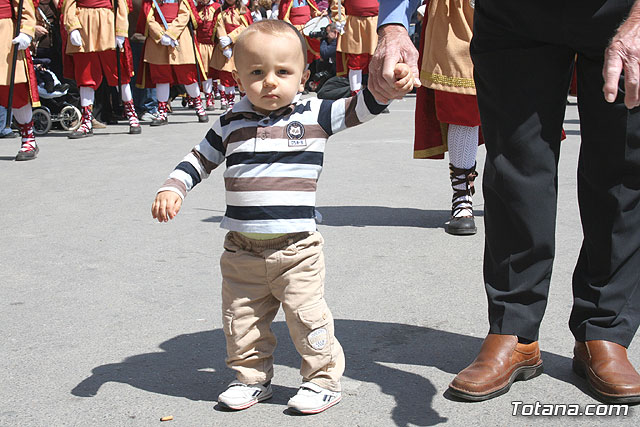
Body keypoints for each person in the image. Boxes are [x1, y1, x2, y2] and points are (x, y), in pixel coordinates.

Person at [372, 0, 640, 403]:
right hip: (514, 13)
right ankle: (514, 330)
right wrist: (394, 24)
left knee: (622, 165)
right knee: (515, 163)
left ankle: (604, 331)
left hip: (619, 8)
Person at [151, 19, 413, 413]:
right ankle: (251, 378)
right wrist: (173, 186)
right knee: (242, 322)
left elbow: (360, 108)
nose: (270, 82)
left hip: (297, 250)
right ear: (238, 77)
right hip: (241, 250)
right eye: (256, 73)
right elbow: (199, 159)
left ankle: (321, 380)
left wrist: (387, 88)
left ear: (304, 76)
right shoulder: (229, 122)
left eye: (283, 72)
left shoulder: (314, 114)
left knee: (307, 318)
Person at [413, 0, 481, 235]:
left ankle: (507, 184)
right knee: (463, 102)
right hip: (454, 11)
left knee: (514, 100)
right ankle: (462, 196)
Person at [61, 0, 142, 138]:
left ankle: (132, 115)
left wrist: (120, 30)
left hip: (107, 24)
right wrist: (72, 27)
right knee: (86, 77)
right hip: (84, 26)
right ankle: (86, 121)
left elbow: (121, 4)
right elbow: (68, 5)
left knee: (120, 75)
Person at [136, 0, 208, 126]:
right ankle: (162, 112)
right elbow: (149, 17)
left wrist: (171, 34)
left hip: (180, 37)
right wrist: (160, 35)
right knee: (161, 77)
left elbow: (184, 14)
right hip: (158, 41)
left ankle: (198, 106)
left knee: (188, 76)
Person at [0, 0, 40, 160]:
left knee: (15, 90)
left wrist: (26, 32)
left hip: (4, 34)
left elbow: (26, 8)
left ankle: (28, 138)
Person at [330, 0, 379, 95]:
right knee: (356, 60)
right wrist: (339, 18)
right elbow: (338, 2)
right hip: (354, 23)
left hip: (375, 21)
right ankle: (355, 95)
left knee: (377, 59)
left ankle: (376, 96)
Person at [210, 0, 252, 111]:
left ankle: (244, 103)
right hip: (225, 50)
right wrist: (225, 45)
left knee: (242, 76)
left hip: (241, 47)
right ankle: (231, 104)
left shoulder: (244, 11)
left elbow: (246, 27)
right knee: (227, 77)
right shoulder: (220, 12)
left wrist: (231, 37)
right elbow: (219, 27)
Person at [196, 0, 221, 110]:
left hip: (213, 45)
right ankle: (208, 97)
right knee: (205, 73)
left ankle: (222, 95)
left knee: (216, 72)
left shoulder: (217, 7)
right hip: (200, 45)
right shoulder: (197, 9)